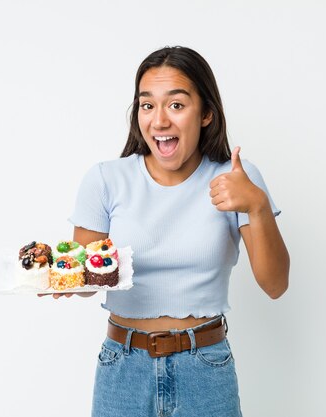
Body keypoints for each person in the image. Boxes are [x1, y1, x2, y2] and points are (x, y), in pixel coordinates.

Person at [50, 46, 289, 417]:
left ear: (206, 113)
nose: (159, 120)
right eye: (147, 105)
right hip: (123, 368)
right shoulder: (105, 180)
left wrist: (257, 206)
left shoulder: (236, 179)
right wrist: (59, 279)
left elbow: (275, 285)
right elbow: (87, 278)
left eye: (176, 105)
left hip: (205, 368)